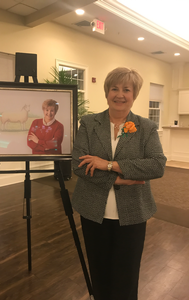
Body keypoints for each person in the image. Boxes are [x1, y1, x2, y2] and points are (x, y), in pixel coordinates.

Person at [71, 67, 167, 300]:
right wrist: (125, 177)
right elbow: (78, 164)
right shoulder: (89, 123)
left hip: (133, 211)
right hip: (93, 210)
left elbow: (157, 165)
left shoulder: (145, 127)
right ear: (107, 92)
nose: (120, 94)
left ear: (134, 95)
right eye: (114, 88)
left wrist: (108, 165)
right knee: (99, 268)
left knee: (127, 272)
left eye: (127, 89)